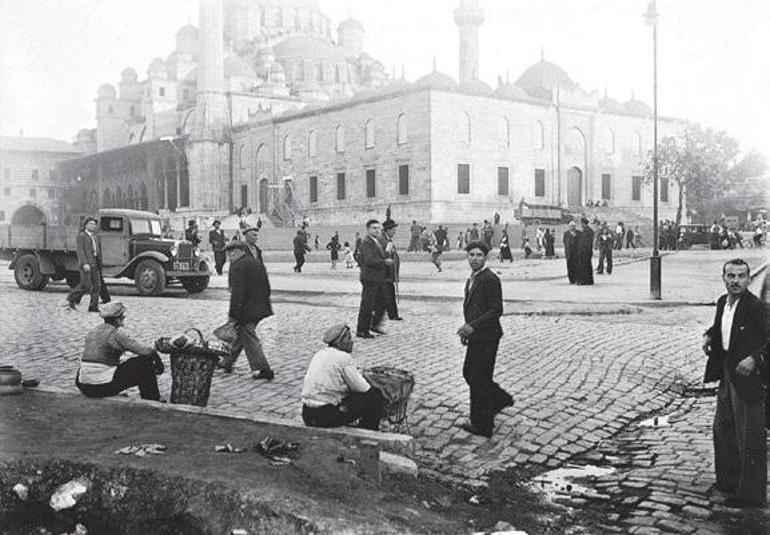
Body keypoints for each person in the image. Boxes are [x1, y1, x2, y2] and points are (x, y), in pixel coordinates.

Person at [702, 259, 767, 507]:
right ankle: (728, 482)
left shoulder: (755, 306)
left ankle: (751, 495)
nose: (736, 281)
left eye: (741, 276)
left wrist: (755, 359)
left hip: (748, 377)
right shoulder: (723, 302)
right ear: (724, 278)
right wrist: (710, 334)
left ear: (749, 279)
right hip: (727, 370)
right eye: (731, 276)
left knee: (749, 434)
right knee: (723, 428)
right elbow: (722, 326)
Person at [456, 241, 513, 437]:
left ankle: (482, 425)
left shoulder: (490, 279)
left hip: (488, 337)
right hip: (477, 336)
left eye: (479, 255)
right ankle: (499, 399)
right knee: (470, 373)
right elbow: (471, 308)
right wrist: (467, 331)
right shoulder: (472, 278)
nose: (475, 258)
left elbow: (496, 310)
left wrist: (472, 327)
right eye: (471, 255)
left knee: (478, 378)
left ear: (486, 258)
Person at [301, 324, 385, 431]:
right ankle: (368, 432)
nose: (352, 341)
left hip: (307, 413)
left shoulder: (319, 354)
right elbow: (363, 388)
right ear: (340, 342)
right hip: (324, 416)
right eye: (349, 338)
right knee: (374, 395)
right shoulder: (343, 357)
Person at [217, 229, 275, 380]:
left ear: (239, 251)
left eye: (231, 252)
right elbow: (267, 287)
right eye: (228, 253)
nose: (229, 256)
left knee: (248, 336)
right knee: (240, 336)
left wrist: (233, 314)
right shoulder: (256, 263)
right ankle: (226, 362)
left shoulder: (238, 266)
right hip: (260, 307)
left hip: (246, 310)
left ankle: (263, 369)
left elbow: (238, 293)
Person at [75, 302, 161, 401]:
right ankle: (152, 399)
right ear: (117, 319)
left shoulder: (93, 331)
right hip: (99, 387)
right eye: (122, 317)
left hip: (83, 386)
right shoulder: (116, 334)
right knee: (144, 363)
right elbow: (145, 351)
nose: (124, 319)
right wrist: (156, 356)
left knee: (86, 364)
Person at [355, 219, 391, 338]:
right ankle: (362, 330)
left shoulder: (377, 241)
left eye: (378, 228)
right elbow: (369, 260)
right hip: (370, 277)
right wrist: (384, 261)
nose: (377, 230)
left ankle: (374, 324)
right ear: (368, 229)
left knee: (384, 301)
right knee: (367, 304)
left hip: (378, 277)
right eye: (374, 228)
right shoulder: (366, 242)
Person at [66, 217, 105, 313]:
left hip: (95, 263)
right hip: (87, 264)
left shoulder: (95, 237)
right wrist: (85, 263)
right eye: (90, 224)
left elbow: (98, 251)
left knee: (97, 285)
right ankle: (71, 299)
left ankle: (93, 306)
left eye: (94, 224)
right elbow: (80, 251)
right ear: (86, 225)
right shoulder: (82, 236)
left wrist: (100, 263)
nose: (93, 226)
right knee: (85, 285)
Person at [381, 219, 403, 321]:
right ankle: (392, 315)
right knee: (387, 293)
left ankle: (392, 314)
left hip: (388, 273)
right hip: (384, 273)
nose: (395, 232)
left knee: (389, 292)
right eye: (393, 229)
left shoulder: (388, 240)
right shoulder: (383, 240)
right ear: (387, 230)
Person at [575, 218, 594, 285]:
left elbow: (586, 243)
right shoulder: (586, 230)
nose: (581, 225)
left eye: (581, 224)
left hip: (585, 252)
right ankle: (588, 281)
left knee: (585, 266)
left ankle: (585, 281)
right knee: (586, 266)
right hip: (584, 252)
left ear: (583, 223)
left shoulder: (588, 231)